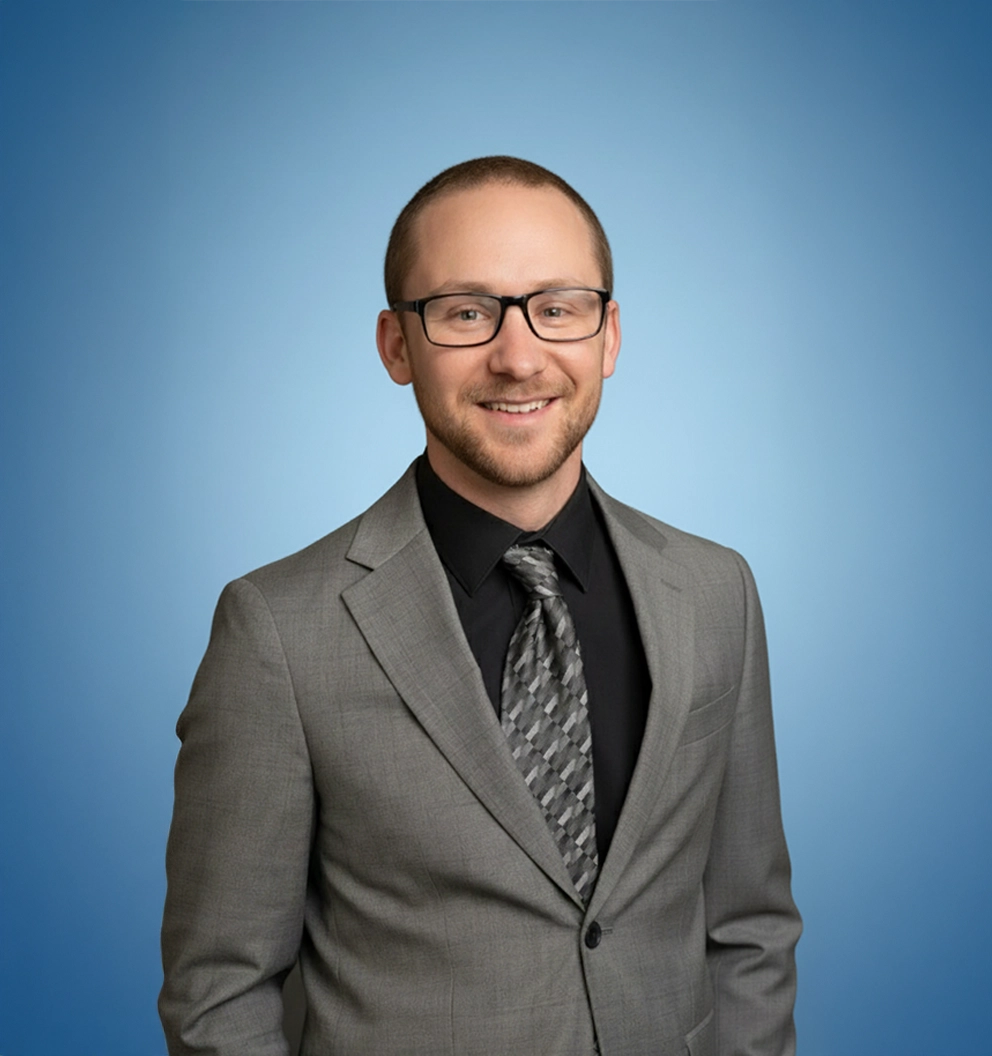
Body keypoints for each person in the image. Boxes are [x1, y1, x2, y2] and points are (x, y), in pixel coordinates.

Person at [160, 156, 801, 1056]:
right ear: (395, 345)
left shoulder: (714, 592)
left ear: (608, 335)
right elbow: (219, 993)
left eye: (558, 306)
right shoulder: (278, 630)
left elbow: (750, 928)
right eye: (466, 311)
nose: (519, 353)